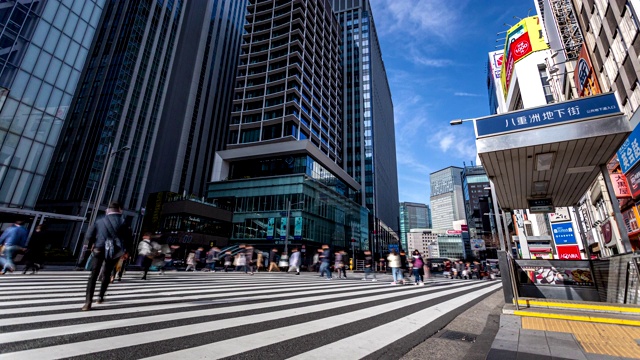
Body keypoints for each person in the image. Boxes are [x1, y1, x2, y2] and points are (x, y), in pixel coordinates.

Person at [82, 202, 132, 311]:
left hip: (99, 249)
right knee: (107, 273)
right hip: (115, 251)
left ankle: (88, 302)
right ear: (119, 209)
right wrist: (127, 251)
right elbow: (128, 238)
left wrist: (92, 245)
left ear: (108, 210)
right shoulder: (124, 221)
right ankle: (100, 297)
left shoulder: (100, 220)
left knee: (94, 274)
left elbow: (89, 235)